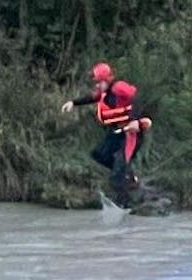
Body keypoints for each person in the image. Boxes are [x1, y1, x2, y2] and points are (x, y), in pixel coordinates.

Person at [61, 62, 152, 207]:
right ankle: (128, 175)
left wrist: (134, 121)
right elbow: (91, 98)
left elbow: (136, 98)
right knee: (99, 155)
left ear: (106, 80)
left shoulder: (118, 87)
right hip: (118, 132)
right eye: (96, 83)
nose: (97, 85)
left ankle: (125, 205)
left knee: (117, 175)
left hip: (131, 134)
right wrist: (73, 103)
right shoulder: (104, 92)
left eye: (99, 82)